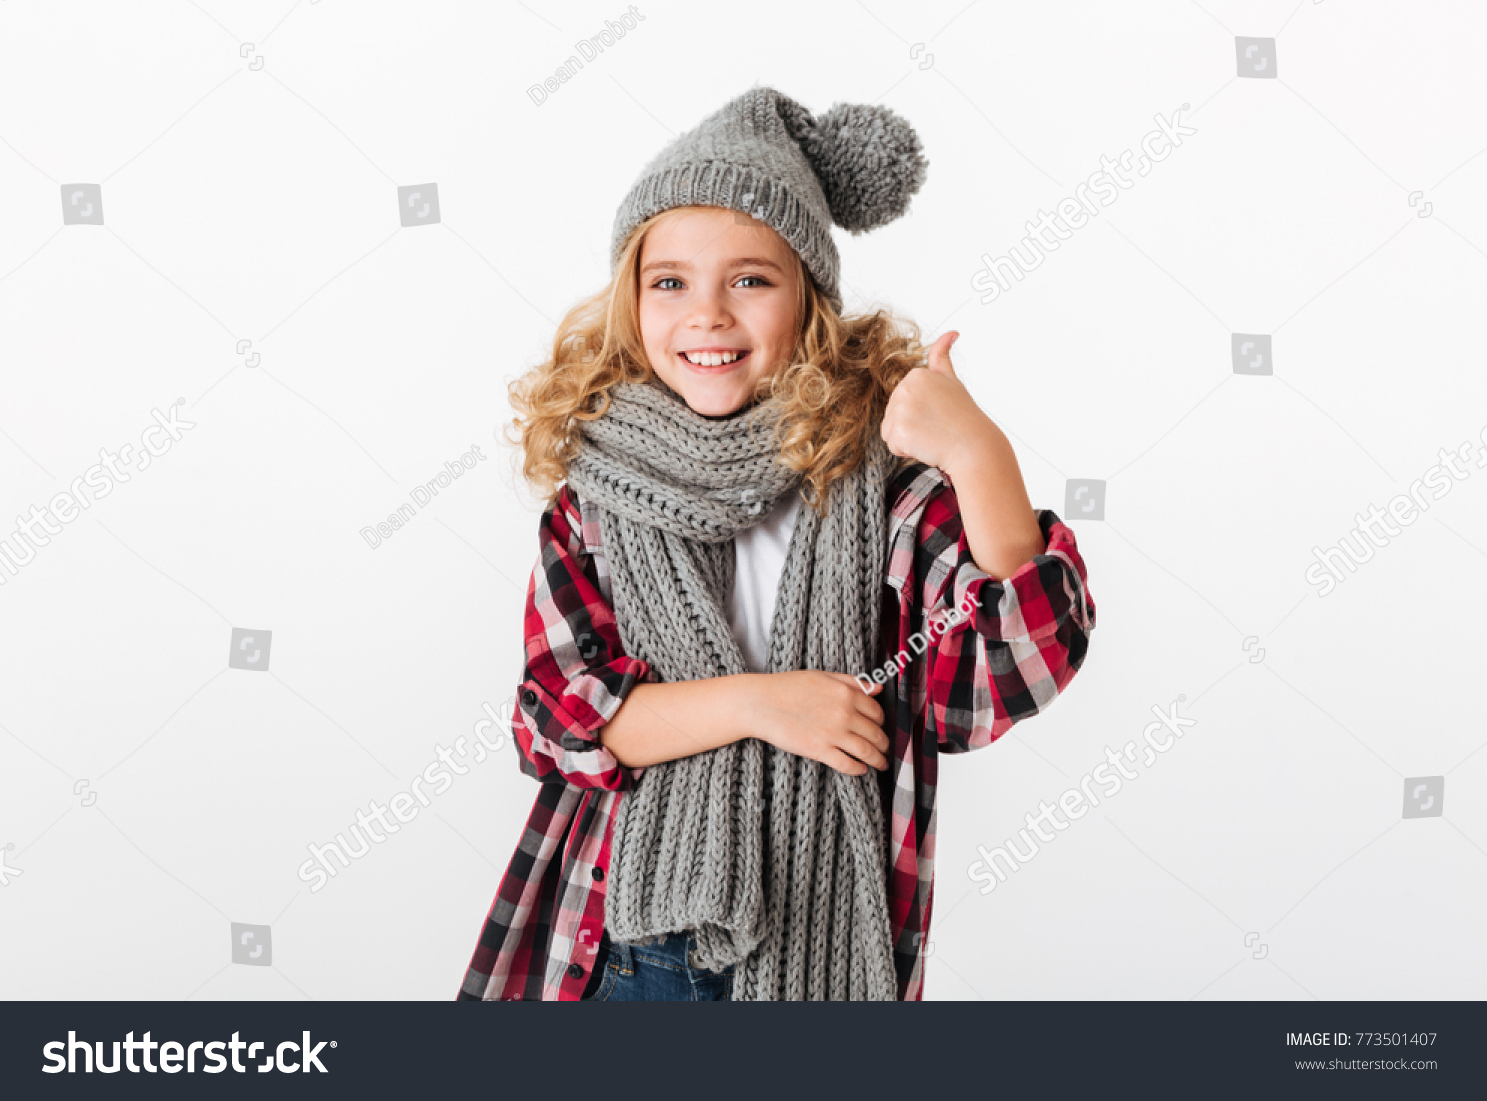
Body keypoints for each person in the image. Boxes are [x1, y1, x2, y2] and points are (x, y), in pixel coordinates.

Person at [457, 86, 1096, 1002]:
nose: (706, 314)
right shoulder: (596, 497)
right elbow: (558, 716)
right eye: (668, 280)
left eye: (749, 279)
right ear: (632, 300)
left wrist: (976, 453)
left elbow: (1005, 672)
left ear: (810, 299)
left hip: (818, 954)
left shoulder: (885, 491)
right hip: (627, 948)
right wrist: (767, 704)